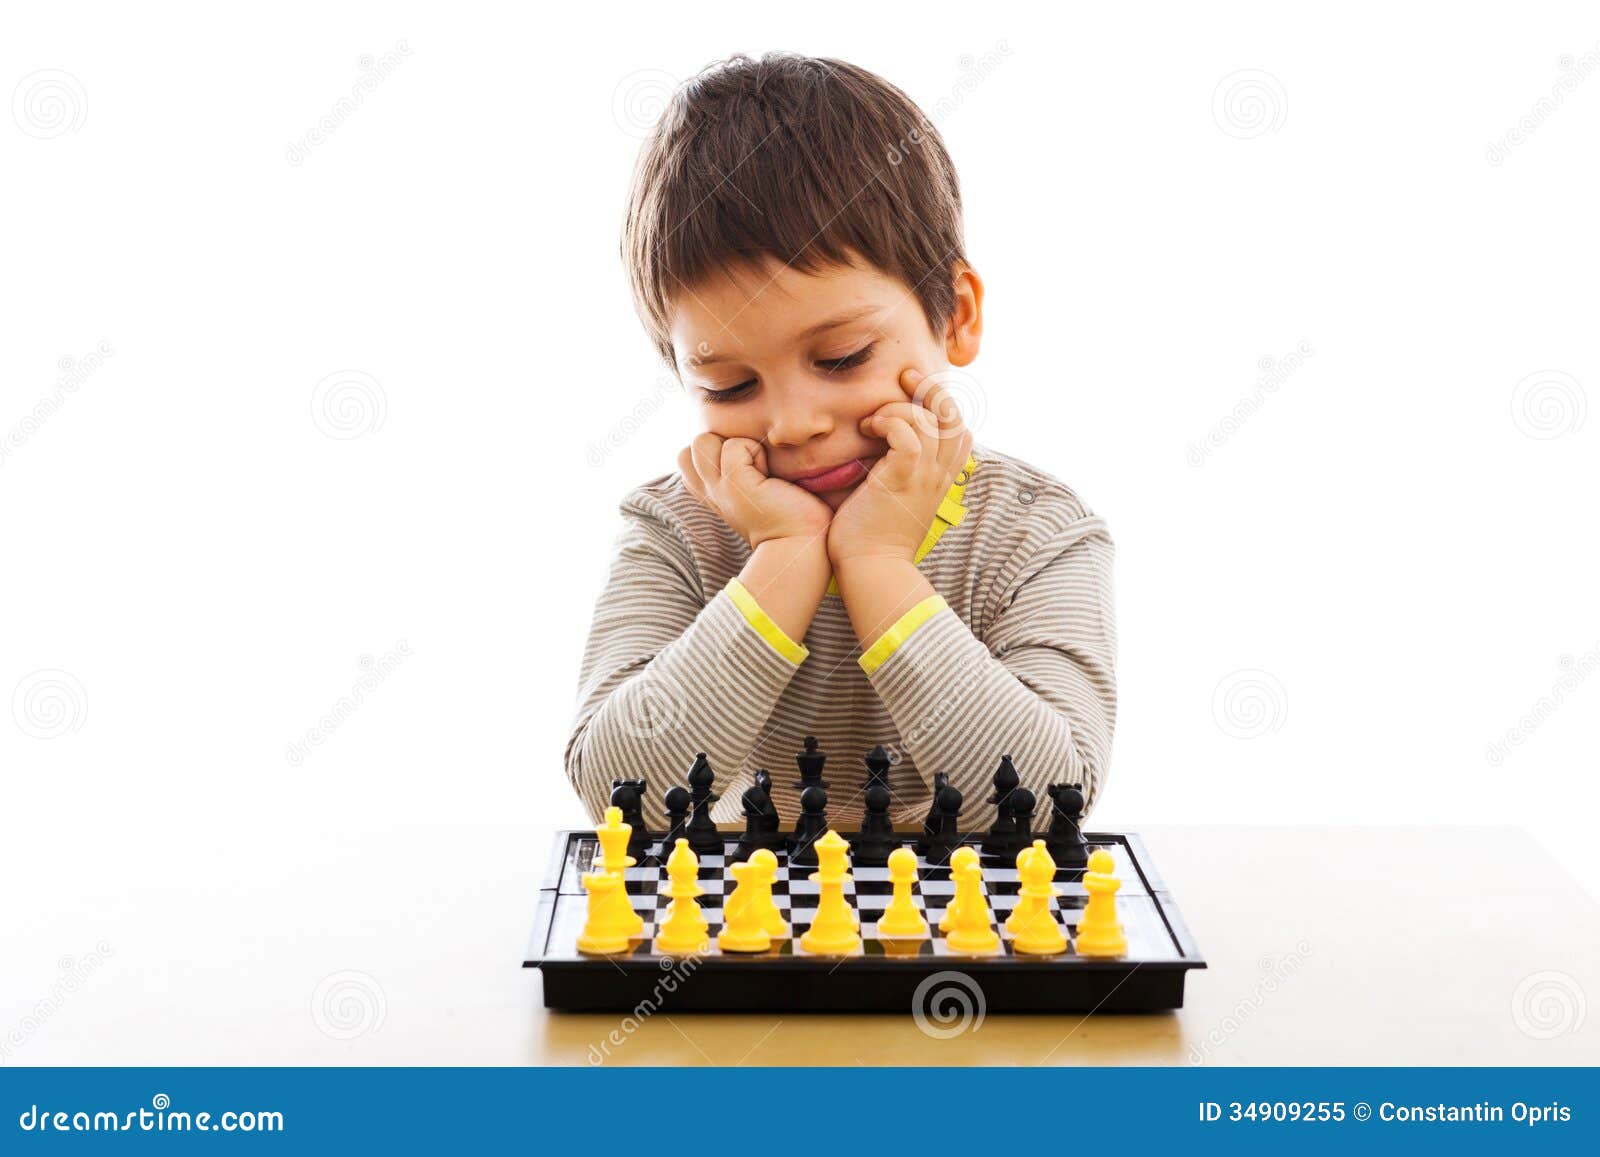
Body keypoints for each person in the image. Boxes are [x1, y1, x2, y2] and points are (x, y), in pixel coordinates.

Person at [565, 52, 1117, 831]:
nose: (794, 424)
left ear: (955, 315)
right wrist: (786, 553)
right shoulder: (675, 531)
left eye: (842, 358)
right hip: (730, 939)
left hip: (958, 937)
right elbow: (623, 794)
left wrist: (878, 562)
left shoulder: (1036, 533)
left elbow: (1042, 804)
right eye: (729, 386)